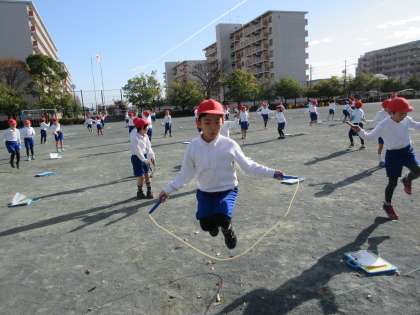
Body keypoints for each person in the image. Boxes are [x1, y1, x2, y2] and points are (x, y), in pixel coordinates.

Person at [158, 99, 285, 249]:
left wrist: (272, 173)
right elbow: (185, 174)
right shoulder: (193, 147)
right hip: (205, 192)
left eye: (217, 122)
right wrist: (167, 190)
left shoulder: (229, 144)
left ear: (223, 121)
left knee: (223, 217)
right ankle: (213, 226)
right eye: (207, 122)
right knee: (206, 225)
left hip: (228, 189)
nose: (213, 127)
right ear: (198, 123)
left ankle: (228, 229)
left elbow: (248, 166)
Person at [351, 97, 420, 220]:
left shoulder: (406, 119)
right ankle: (387, 204)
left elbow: (416, 125)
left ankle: (407, 179)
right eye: (401, 113)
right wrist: (360, 130)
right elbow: (369, 137)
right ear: (391, 113)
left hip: (406, 151)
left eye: (405, 113)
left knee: (418, 170)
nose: (404, 116)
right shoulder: (384, 124)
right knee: (392, 183)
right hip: (393, 155)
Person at [130, 117, 155, 199]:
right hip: (137, 158)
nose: (147, 128)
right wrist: (144, 160)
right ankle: (140, 192)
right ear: (140, 128)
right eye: (146, 126)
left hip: (144, 156)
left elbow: (149, 147)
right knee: (141, 176)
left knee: (147, 174)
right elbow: (137, 151)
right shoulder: (135, 137)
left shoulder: (146, 136)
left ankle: (149, 191)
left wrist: (152, 156)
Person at [367, 98, 391, 167]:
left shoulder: (392, 112)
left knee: (390, 147)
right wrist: (367, 121)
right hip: (382, 133)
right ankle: (380, 160)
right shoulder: (380, 113)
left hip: (390, 133)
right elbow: (374, 120)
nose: (390, 107)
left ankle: (389, 160)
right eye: (388, 106)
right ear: (384, 106)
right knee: (381, 146)